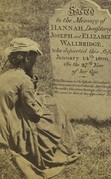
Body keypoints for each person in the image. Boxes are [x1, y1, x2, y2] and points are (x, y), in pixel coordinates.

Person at [0, 38, 81, 179]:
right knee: (54, 111)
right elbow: (34, 111)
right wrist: (44, 109)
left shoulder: (5, 73)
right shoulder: (23, 79)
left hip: (4, 117)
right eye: (34, 57)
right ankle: (62, 148)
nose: (35, 61)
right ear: (26, 58)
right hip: (10, 127)